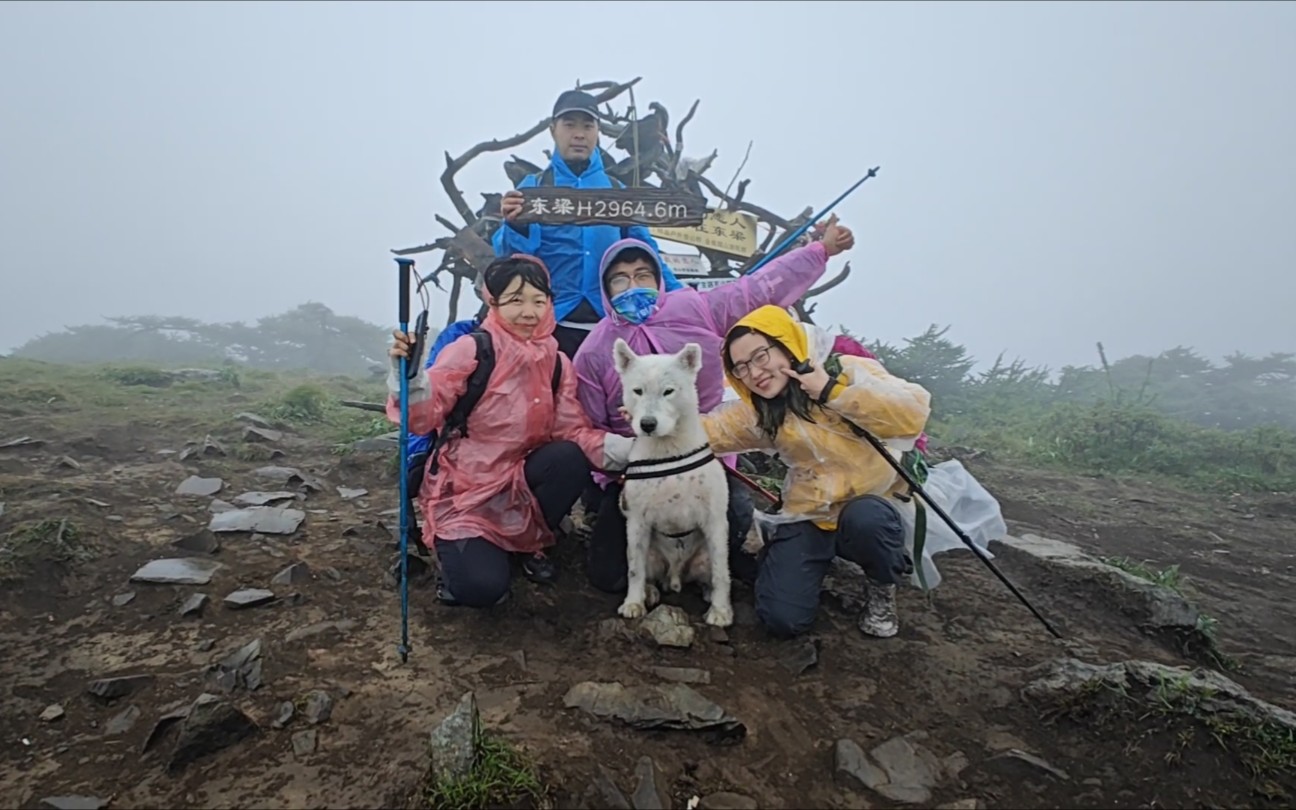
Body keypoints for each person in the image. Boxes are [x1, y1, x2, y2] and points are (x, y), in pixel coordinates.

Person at [577, 217, 857, 595]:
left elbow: (757, 289)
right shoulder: (596, 351)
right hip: (635, 466)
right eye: (620, 279)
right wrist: (614, 468)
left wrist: (819, 250)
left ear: (658, 279)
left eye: (642, 275)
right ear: (605, 288)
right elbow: (588, 421)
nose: (633, 286)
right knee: (608, 576)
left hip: (704, 454)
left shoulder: (694, 308)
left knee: (735, 513)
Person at [386, 255, 633, 608]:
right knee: (483, 590)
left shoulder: (556, 362)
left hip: (518, 481)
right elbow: (424, 417)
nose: (529, 311)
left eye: (538, 300)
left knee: (568, 458)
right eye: (515, 300)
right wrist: (408, 380)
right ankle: (458, 554)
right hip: (464, 492)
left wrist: (633, 452)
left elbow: (572, 431)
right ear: (493, 302)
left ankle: (527, 543)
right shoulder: (472, 349)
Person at [699, 305, 933, 640]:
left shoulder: (846, 371)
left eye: (761, 355)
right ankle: (811, 564)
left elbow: (911, 414)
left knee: (869, 520)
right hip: (810, 513)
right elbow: (709, 431)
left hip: (870, 504)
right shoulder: (760, 411)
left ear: (786, 344)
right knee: (781, 618)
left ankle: (882, 587)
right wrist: (645, 425)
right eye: (741, 367)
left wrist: (831, 392)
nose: (754, 372)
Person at [494, 88, 685, 358]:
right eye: (569, 125)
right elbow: (510, 259)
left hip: (612, 327)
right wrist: (514, 225)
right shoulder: (535, 188)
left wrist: (683, 299)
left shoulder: (617, 192)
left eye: (588, 125)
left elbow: (647, 253)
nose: (579, 134)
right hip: (549, 328)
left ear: (598, 131)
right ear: (552, 130)